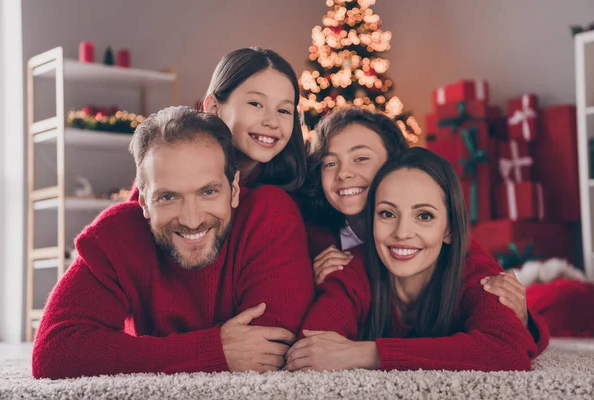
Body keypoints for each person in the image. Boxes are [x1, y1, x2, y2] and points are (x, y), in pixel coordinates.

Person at [32, 106, 315, 379]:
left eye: (208, 192)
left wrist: (145, 354)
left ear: (234, 189)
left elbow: (273, 350)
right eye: (168, 197)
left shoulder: (269, 215)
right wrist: (211, 350)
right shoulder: (118, 232)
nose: (192, 220)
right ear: (144, 201)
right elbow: (54, 352)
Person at [298, 107, 548, 349]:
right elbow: (312, 338)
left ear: (395, 164)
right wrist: (311, 284)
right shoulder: (317, 234)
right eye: (329, 163)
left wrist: (520, 318)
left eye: (361, 158)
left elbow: (505, 335)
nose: (344, 173)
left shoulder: (458, 252)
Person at [128, 47, 306, 203]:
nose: (272, 122)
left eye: (284, 111)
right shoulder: (164, 164)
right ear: (214, 107)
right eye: (256, 104)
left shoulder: (290, 198)